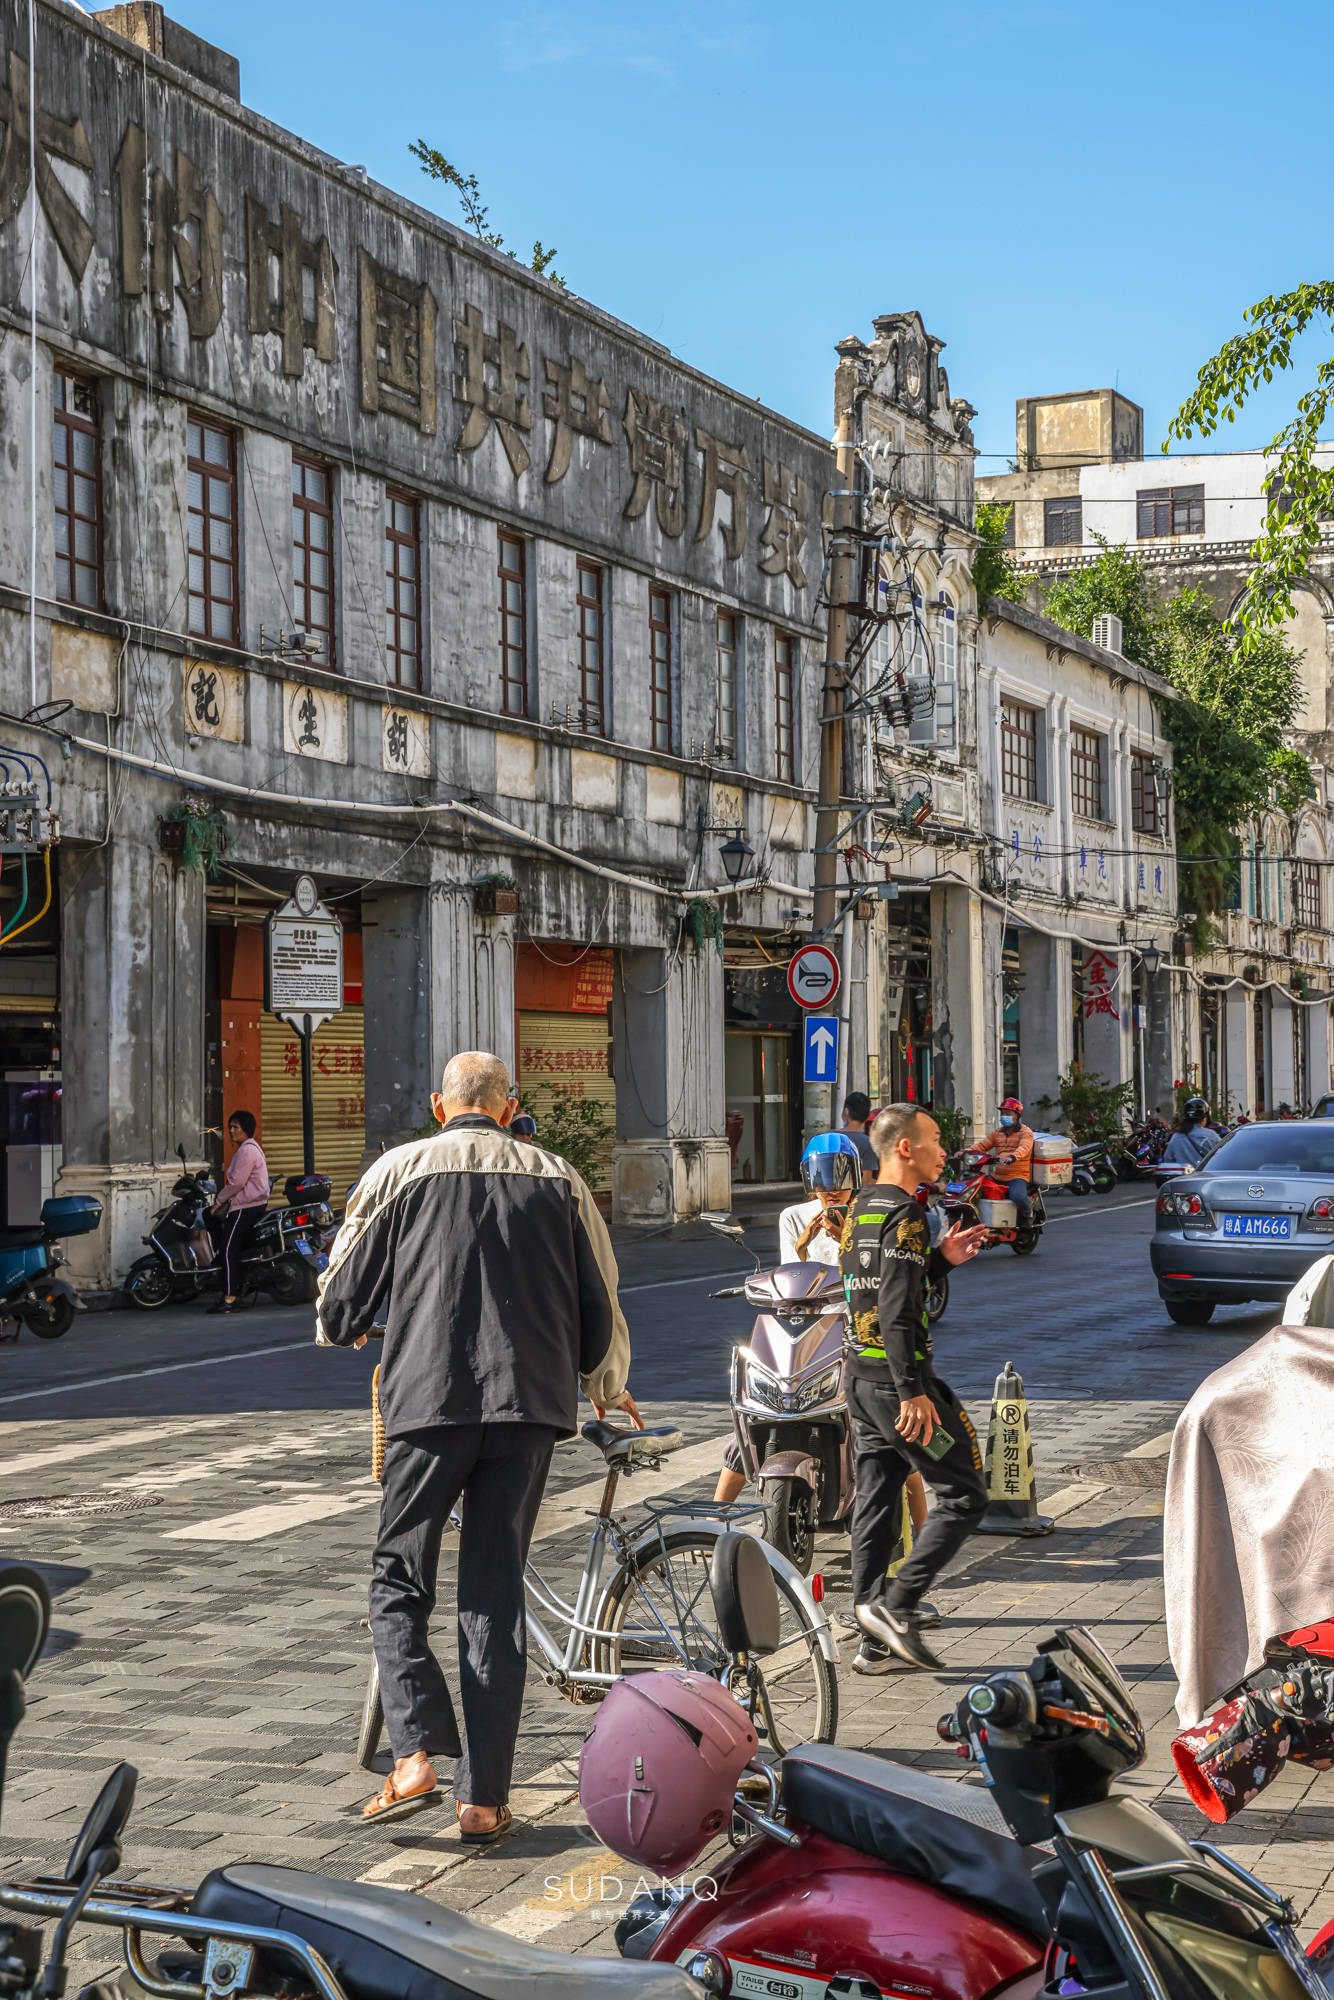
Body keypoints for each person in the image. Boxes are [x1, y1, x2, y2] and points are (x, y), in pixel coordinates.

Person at [317, 1050, 641, 1840]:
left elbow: (339, 1298)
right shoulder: (558, 1178)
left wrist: (353, 1322)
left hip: (428, 1405)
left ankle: (416, 1756)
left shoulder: (400, 1171)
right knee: (494, 1599)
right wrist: (605, 1383)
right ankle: (485, 1802)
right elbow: (600, 1301)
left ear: (439, 1105)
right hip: (529, 1408)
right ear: (508, 1105)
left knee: (400, 1577)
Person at [840, 1103, 988, 1672]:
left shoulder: (863, 1206)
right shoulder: (904, 1212)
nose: (944, 1150)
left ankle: (872, 1640)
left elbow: (874, 1285)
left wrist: (940, 1261)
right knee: (964, 1494)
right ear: (905, 1147)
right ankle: (898, 1607)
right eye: (935, 1139)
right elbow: (898, 1310)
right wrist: (913, 1392)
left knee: (877, 1504)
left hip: (858, 1380)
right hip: (896, 1386)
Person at [712, 1133, 860, 1509]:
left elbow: (868, 1274)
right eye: (822, 1177)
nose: (831, 1188)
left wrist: (845, 1238)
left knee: (876, 1420)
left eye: (839, 1176)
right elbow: (789, 1278)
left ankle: (913, 1524)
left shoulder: (865, 1216)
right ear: (809, 1179)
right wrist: (803, 1245)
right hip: (804, 1328)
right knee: (757, 1415)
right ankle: (714, 1518)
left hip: (852, 1325)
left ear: (854, 1176)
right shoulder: (794, 1217)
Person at [209, 1109, 270, 1315]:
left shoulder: (246, 1151)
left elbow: (237, 1183)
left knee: (227, 1251)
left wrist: (218, 1202)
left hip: (245, 1207)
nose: (231, 1131)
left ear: (246, 1129)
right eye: (230, 1127)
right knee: (235, 1250)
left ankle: (229, 1298)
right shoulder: (252, 1148)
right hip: (253, 1205)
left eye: (236, 1127)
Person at [978, 1096, 1035, 1231]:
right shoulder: (997, 1133)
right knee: (975, 1188)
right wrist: (965, 1152)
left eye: (1008, 1113)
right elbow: (982, 1145)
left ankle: (1028, 1214)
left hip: (1017, 1176)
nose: (1004, 1116)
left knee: (1018, 1196)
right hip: (997, 1176)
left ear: (1017, 1115)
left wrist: (1012, 1157)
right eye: (1002, 1113)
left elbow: (1024, 1148)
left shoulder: (1026, 1132)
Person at [1163, 1097, 1223, 1167]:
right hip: (1206, 1176)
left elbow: (1168, 1160)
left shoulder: (1176, 1137)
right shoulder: (1210, 1135)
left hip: (1183, 1177)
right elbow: (1223, 1157)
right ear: (1204, 1117)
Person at [840, 1092, 879, 1178]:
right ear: (868, 1115)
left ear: (846, 1111)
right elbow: (866, 1181)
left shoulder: (826, 1137)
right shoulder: (868, 1144)